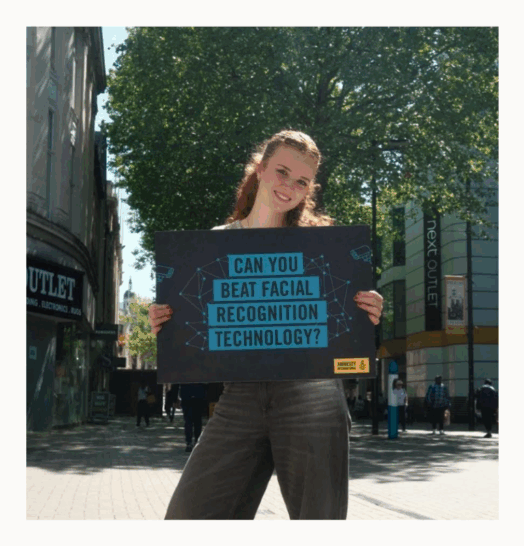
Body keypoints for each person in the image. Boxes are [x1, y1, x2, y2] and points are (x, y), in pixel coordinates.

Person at [149, 130, 384, 520]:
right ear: (259, 169)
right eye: (282, 171)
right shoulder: (215, 243)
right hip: (239, 396)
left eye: (302, 181)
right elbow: (197, 329)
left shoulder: (324, 245)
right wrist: (167, 322)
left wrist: (371, 310)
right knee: (188, 517)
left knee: (318, 522)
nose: (289, 186)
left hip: (312, 395)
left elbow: (345, 326)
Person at [179, 383, 207, 453]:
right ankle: (197, 440)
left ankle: (189, 442)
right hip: (198, 397)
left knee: (188, 422)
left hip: (187, 397)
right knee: (197, 421)